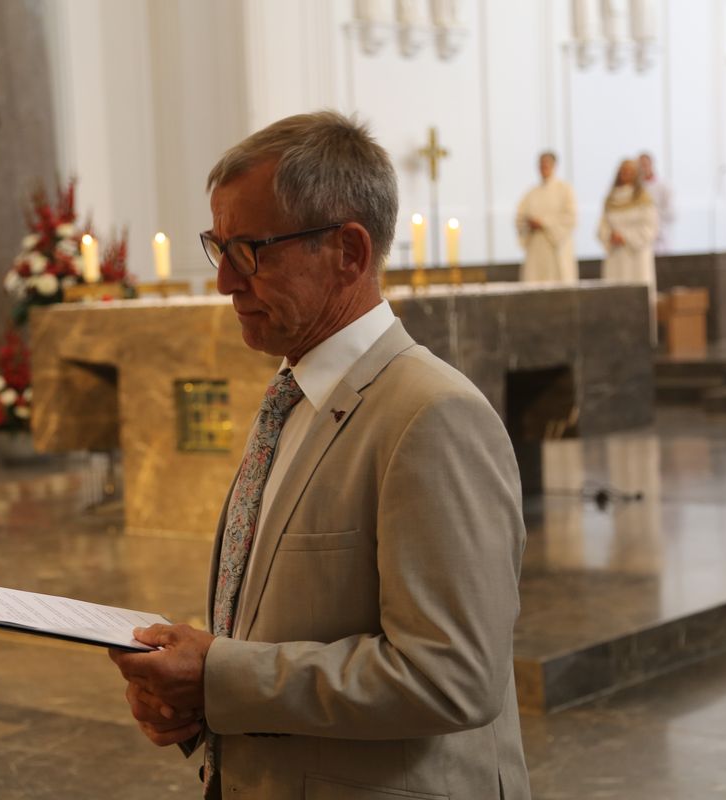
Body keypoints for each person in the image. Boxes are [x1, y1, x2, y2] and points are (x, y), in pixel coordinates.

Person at [109, 111, 530, 799]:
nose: (224, 282)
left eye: (250, 250)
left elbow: (452, 678)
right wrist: (195, 704)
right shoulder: (294, 395)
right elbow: (287, 626)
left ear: (349, 252)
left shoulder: (431, 415)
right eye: (219, 247)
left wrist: (219, 677)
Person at [598, 159, 659, 341]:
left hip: (636, 256)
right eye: (622, 171)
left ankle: (642, 337)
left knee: (638, 295)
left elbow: (650, 227)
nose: (625, 174)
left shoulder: (644, 198)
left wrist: (626, 237)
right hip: (616, 255)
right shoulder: (611, 199)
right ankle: (616, 336)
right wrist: (611, 235)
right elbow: (602, 226)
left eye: (629, 171)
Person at [515, 151, 578, 283]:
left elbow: (570, 218)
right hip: (536, 247)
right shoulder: (531, 193)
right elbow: (520, 218)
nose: (544, 167)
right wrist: (530, 223)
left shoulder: (564, 189)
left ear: (554, 165)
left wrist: (544, 223)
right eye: (541, 164)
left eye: (547, 163)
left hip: (555, 246)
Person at [638, 152, 674, 254]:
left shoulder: (663, 185)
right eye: (640, 165)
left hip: (660, 233)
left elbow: (670, 211)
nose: (643, 168)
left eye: (645, 164)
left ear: (651, 164)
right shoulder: (636, 188)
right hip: (641, 234)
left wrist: (655, 217)